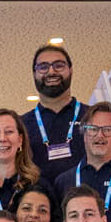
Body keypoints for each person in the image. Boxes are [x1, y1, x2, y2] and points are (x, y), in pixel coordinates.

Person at [21, 44, 86, 183]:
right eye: (43, 67)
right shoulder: (20, 125)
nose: (51, 72)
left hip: (89, 196)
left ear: (71, 70)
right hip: (39, 196)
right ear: (34, 74)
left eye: (59, 65)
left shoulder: (94, 116)